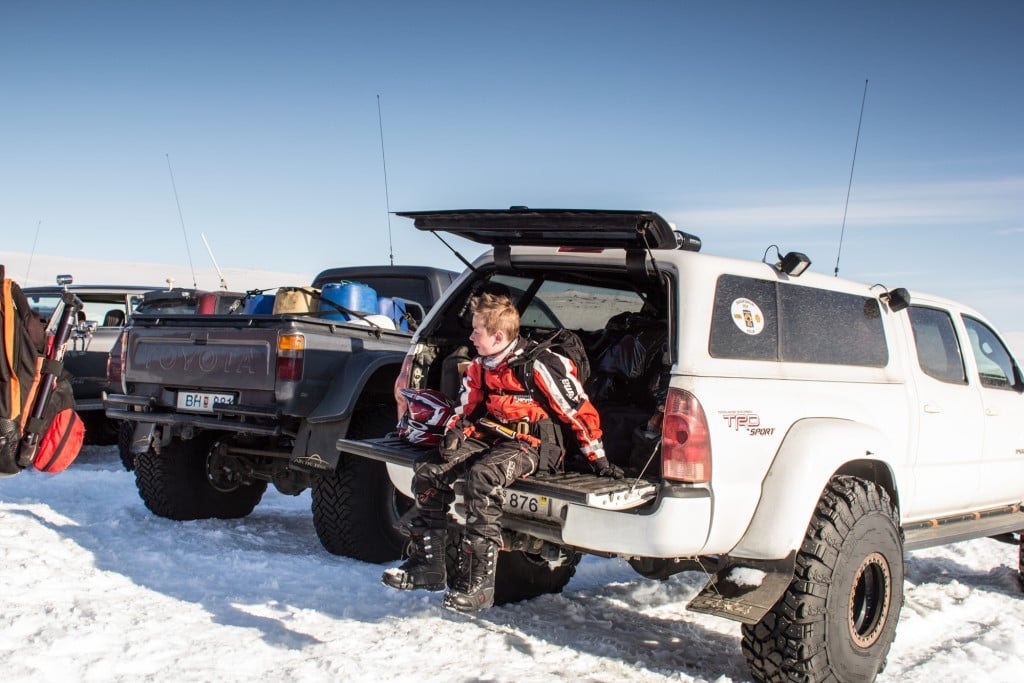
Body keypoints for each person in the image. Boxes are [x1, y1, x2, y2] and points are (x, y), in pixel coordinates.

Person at [382, 289, 622, 612]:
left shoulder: (540, 365)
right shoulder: (481, 365)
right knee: (429, 470)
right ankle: (430, 564)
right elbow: (467, 407)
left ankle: (480, 582)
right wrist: (455, 432)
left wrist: (600, 460)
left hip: (533, 446)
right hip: (493, 436)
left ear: (497, 336)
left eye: (476, 331)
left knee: (482, 477)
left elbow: (578, 411)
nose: (470, 336)